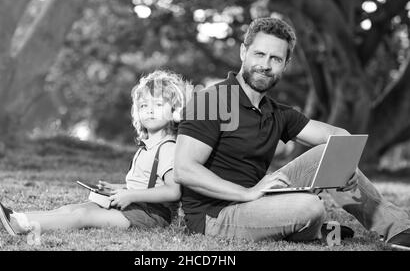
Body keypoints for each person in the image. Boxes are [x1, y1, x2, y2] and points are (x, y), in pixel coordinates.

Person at [173, 17, 410, 250]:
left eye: (275, 58)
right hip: (215, 216)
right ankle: (306, 228)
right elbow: (185, 169)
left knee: (334, 154)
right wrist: (247, 193)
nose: (265, 65)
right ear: (243, 52)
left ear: (285, 64)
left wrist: (341, 166)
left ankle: (398, 230)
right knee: (309, 207)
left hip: (256, 203)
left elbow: (339, 136)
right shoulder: (210, 101)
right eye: (259, 54)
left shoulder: (277, 112)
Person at [0, 70, 188, 236]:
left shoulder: (168, 147)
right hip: (134, 205)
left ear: (175, 111)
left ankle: (13, 225)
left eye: (157, 105)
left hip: (150, 216)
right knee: (71, 208)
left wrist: (130, 195)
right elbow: (146, 184)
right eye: (143, 105)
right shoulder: (147, 146)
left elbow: (172, 191)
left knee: (83, 216)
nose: (149, 110)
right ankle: (10, 217)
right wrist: (120, 189)